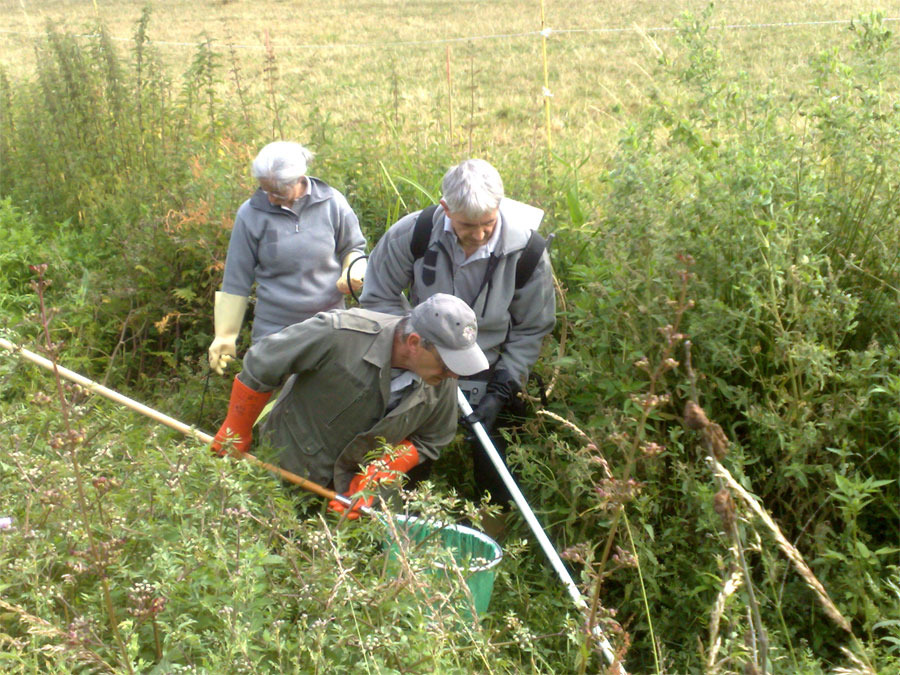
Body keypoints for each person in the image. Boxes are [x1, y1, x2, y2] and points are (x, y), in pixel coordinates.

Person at [359, 158, 556, 508]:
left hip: (490, 366)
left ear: (500, 206)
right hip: (422, 365)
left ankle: (494, 538)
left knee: (495, 472)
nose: (479, 235)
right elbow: (378, 297)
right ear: (445, 208)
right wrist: (414, 348)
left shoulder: (528, 251)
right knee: (410, 459)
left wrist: (503, 386)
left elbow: (531, 327)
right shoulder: (413, 234)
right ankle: (403, 529)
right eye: (467, 225)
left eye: (488, 224)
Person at [211, 293, 489, 517]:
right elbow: (263, 363)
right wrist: (236, 429)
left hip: (349, 503)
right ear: (414, 343)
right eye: (446, 362)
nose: (454, 374)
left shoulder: (441, 380)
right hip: (278, 471)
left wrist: (378, 473)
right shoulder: (340, 333)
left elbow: (433, 438)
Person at [208, 141, 368, 375]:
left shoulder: (332, 202)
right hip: (274, 331)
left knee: (327, 398)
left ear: (300, 179)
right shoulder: (250, 214)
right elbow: (236, 278)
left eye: (278, 192)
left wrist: (353, 269)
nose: (271, 199)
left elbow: (354, 247)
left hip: (330, 325)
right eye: (265, 190)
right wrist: (225, 334)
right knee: (278, 403)